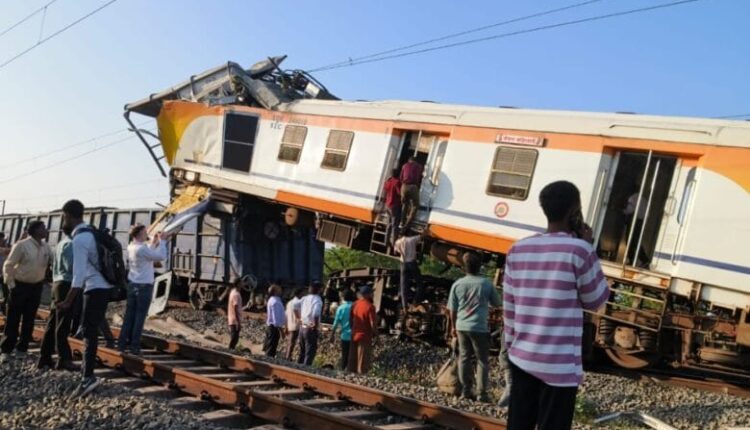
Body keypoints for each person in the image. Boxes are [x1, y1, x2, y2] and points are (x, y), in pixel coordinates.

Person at [503, 181, 610, 430]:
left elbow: (510, 308)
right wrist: (588, 244)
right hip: (559, 366)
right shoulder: (580, 251)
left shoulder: (518, 250)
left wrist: (512, 347)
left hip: (522, 357)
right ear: (574, 211)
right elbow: (596, 300)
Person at [57, 200, 112, 398]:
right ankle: (87, 375)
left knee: (89, 332)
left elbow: (78, 276)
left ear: (68, 216)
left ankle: (87, 378)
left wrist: (67, 301)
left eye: (64, 217)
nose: (64, 220)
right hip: (102, 287)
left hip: (94, 288)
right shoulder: (92, 232)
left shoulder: (80, 239)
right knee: (90, 329)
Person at [447, 252, 501, 402]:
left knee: (464, 357)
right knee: (482, 360)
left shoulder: (457, 284)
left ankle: (465, 391)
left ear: (464, 267)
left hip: (461, 326)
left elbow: (452, 310)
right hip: (479, 327)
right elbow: (497, 303)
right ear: (480, 267)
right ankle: (482, 394)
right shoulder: (486, 284)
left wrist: (453, 327)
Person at [0, 220, 51, 362]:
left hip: (36, 287)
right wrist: (11, 285)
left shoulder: (46, 247)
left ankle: (22, 349)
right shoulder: (21, 245)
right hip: (20, 286)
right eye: (43, 228)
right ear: (35, 230)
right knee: (13, 319)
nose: (46, 230)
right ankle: (6, 350)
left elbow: (52, 262)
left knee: (29, 319)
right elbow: (8, 265)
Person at [117, 224, 169, 355]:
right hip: (144, 287)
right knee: (139, 318)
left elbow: (147, 255)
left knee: (129, 317)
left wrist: (154, 243)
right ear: (140, 234)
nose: (147, 234)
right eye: (145, 232)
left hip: (133, 285)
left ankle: (121, 344)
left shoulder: (131, 246)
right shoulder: (141, 249)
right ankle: (134, 347)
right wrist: (162, 241)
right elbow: (161, 256)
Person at [37, 231, 79, 371]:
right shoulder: (71, 244)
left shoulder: (61, 243)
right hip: (66, 285)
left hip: (58, 283)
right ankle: (64, 358)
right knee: (63, 324)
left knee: (53, 322)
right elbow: (70, 268)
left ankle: (44, 357)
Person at [348, 285, 377, 374]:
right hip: (364, 336)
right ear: (368, 294)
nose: (373, 295)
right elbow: (372, 323)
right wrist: (376, 335)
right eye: (372, 293)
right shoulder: (370, 306)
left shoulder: (354, 304)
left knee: (352, 360)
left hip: (354, 334)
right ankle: (360, 377)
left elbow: (350, 319)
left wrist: (353, 329)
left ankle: (349, 376)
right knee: (362, 360)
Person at [393, 229, 422, 309]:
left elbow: (395, 252)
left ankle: (404, 306)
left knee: (403, 285)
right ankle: (415, 301)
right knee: (419, 283)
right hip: (412, 263)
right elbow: (422, 236)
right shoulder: (412, 239)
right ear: (409, 233)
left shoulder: (398, 242)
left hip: (403, 264)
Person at [297, 283, 323, 366]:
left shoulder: (304, 298)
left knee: (302, 351)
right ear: (319, 290)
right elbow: (316, 313)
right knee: (310, 352)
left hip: (302, 327)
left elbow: (296, 307)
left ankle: (297, 368)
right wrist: (315, 325)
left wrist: (299, 318)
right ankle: (305, 370)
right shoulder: (317, 299)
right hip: (310, 328)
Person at [330, 289, 354, 370]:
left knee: (345, 354)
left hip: (345, 336)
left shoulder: (341, 308)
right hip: (354, 336)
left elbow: (336, 322)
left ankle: (343, 369)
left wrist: (332, 335)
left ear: (343, 297)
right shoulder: (355, 307)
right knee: (353, 356)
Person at [399, 156, 423, 228]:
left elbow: (400, 177)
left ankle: (401, 222)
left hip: (404, 186)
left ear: (409, 160)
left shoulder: (404, 165)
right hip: (413, 187)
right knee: (415, 205)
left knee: (404, 204)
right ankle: (408, 223)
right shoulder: (419, 166)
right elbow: (420, 176)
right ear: (415, 161)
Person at [263, 284, 286, 357]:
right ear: (275, 291)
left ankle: (266, 359)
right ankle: (267, 361)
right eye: (279, 289)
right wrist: (282, 331)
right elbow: (276, 319)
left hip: (271, 328)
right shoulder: (275, 302)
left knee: (270, 347)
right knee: (271, 349)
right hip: (273, 329)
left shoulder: (272, 300)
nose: (281, 290)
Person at [382, 168, 402, 246]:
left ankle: (385, 241)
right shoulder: (397, 182)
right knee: (394, 225)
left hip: (387, 205)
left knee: (389, 224)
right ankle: (393, 243)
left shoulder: (388, 181)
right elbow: (399, 193)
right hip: (394, 205)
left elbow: (385, 188)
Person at [284, 287, 304, 360]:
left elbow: (286, 315)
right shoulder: (298, 303)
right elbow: (299, 315)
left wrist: (286, 326)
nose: (303, 295)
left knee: (290, 341)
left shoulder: (289, 303)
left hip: (289, 324)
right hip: (295, 325)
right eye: (302, 293)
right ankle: (288, 357)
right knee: (292, 342)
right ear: (299, 294)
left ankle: (287, 356)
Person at [227, 277, 245, 350]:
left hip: (232, 318)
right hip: (235, 320)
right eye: (241, 282)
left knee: (234, 337)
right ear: (238, 284)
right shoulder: (236, 295)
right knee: (234, 338)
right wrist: (238, 322)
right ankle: (230, 351)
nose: (243, 283)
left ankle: (231, 350)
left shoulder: (233, 292)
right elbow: (235, 308)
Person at [0, 232, 10, 314]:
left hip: (4, 275)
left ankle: (3, 307)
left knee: (6, 294)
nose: (2, 241)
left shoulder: (6, 247)